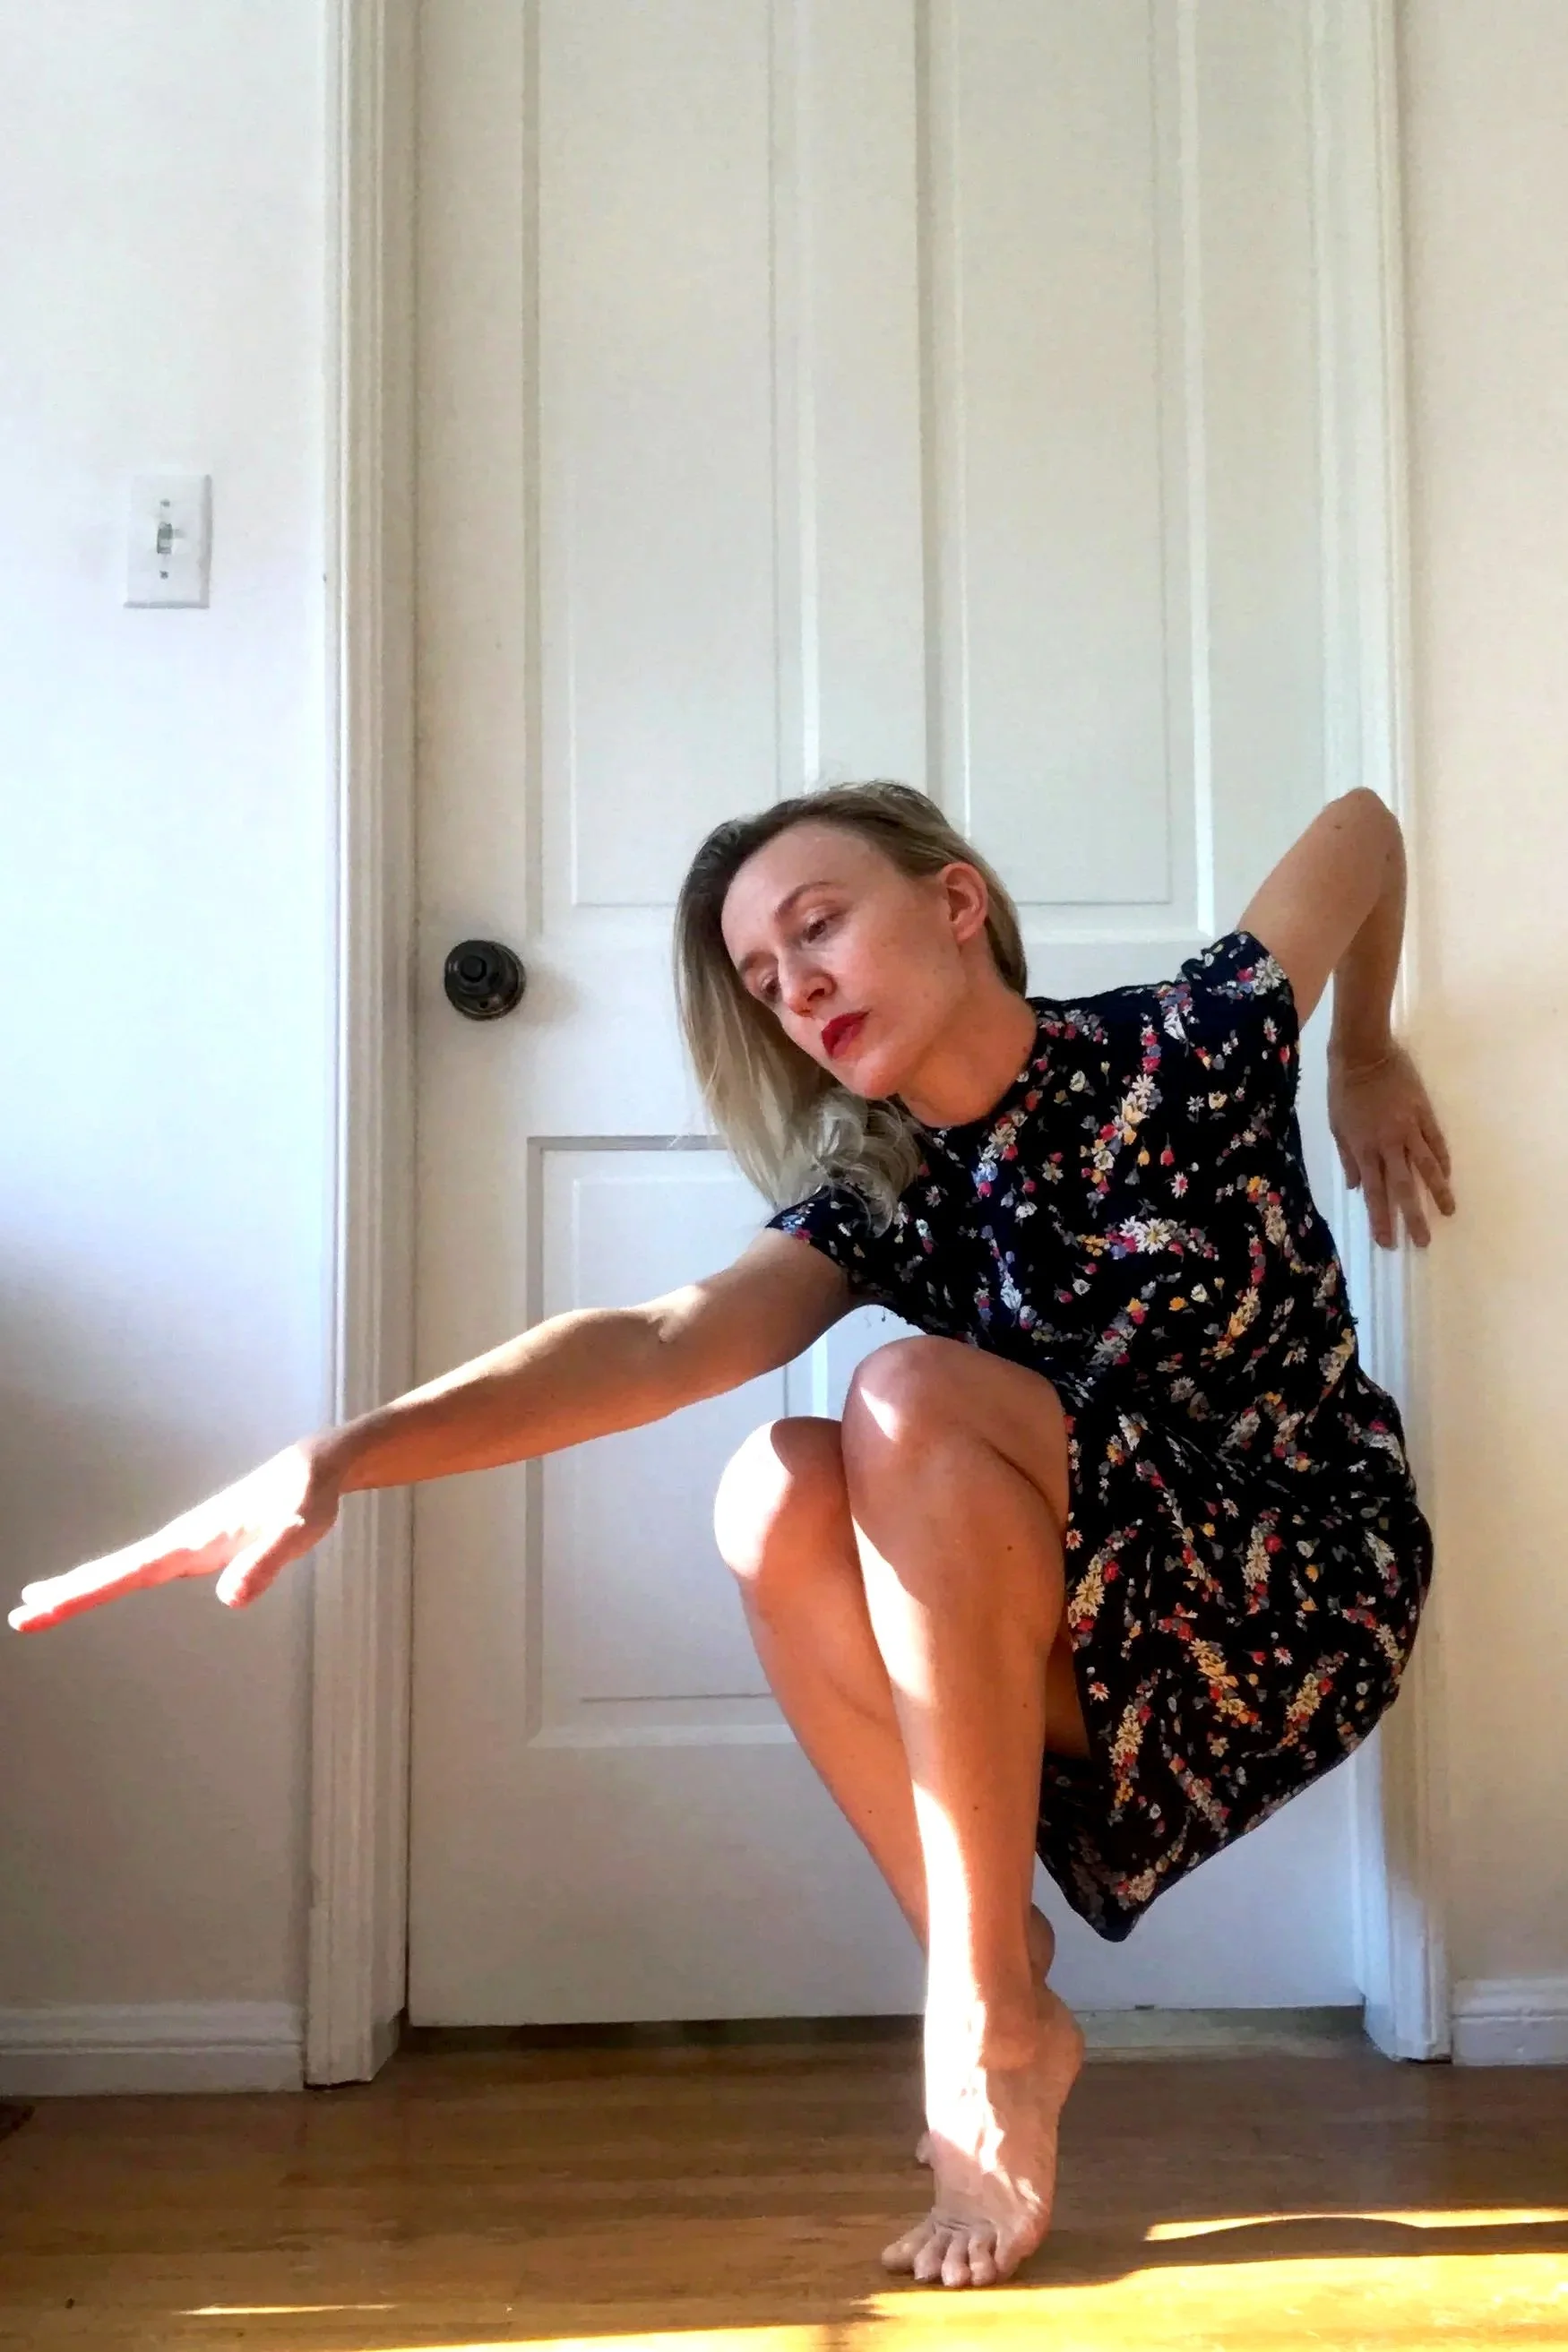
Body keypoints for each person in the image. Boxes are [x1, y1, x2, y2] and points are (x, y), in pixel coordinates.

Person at [9, 780, 1452, 2292]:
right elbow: (655, 1338)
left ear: (955, 905)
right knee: (771, 1481)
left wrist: (1357, 1048)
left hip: (1303, 1590)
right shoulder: (884, 1194)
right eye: (762, 979)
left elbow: (1358, 828)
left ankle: (976, 2020)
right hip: (1104, 1646)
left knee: (898, 1392)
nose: (796, 987)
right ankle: (996, 1980)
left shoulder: (1186, 1046)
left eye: (817, 927)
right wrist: (339, 1456)